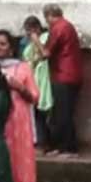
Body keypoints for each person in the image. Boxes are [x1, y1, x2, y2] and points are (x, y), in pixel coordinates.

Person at [0, 29, 37, 182]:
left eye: (3, 44)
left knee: (16, 165)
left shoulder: (23, 68)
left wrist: (19, 87)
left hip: (17, 123)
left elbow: (34, 97)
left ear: (11, 47)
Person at [35, 3, 81, 156]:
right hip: (69, 74)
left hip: (63, 75)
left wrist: (35, 40)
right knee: (61, 113)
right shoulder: (67, 26)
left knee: (63, 114)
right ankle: (62, 146)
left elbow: (46, 53)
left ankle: (69, 148)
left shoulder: (58, 27)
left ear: (49, 16)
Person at [21, 16, 53, 147]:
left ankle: (50, 142)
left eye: (31, 30)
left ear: (38, 28)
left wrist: (36, 41)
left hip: (45, 78)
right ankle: (40, 141)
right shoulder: (26, 44)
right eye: (27, 31)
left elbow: (45, 54)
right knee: (36, 113)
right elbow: (27, 59)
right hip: (32, 80)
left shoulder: (46, 37)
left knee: (48, 114)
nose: (29, 34)